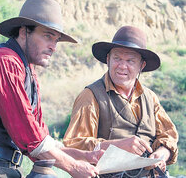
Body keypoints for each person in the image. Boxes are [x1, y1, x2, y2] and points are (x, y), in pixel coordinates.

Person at [0, 0, 104, 178]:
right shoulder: (4, 62)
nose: (53, 47)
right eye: (47, 36)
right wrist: (74, 167)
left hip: (5, 168)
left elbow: (41, 138)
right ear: (23, 32)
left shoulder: (27, 72)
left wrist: (84, 156)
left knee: (45, 174)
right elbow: (30, 138)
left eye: (56, 40)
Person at [63, 26, 178, 177]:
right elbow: (73, 146)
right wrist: (117, 146)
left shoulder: (150, 98)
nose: (122, 66)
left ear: (141, 66)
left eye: (130, 60)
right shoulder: (90, 96)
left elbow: (168, 136)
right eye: (117, 58)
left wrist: (161, 154)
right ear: (108, 59)